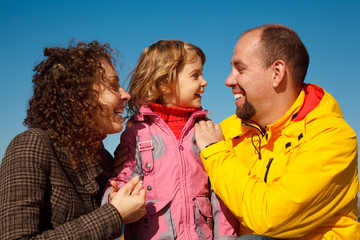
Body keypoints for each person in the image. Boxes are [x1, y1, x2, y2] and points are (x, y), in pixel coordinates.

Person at [194, 24, 360, 239]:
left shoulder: (333, 139)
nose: (228, 80)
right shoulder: (225, 131)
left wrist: (215, 152)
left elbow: (269, 220)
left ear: (277, 73)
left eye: (240, 69)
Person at [0, 41, 146, 239]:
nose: (126, 95)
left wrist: (120, 170)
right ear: (76, 97)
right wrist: (115, 215)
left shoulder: (104, 159)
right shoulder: (32, 145)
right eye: (113, 86)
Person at [102, 40, 239, 239]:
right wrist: (112, 196)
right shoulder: (137, 133)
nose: (204, 82)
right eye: (195, 75)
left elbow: (220, 193)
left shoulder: (205, 131)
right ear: (164, 84)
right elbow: (123, 180)